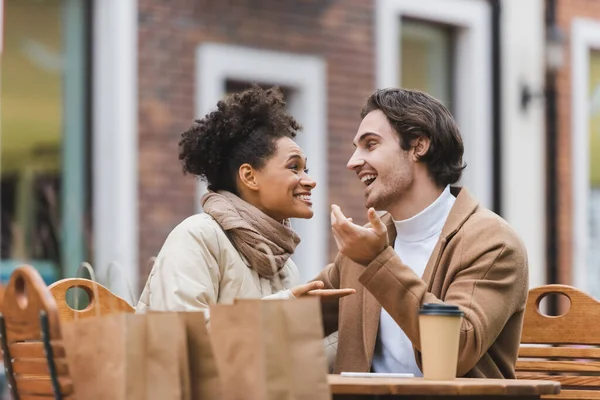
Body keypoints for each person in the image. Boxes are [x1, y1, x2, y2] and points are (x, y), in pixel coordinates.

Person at [317, 88, 528, 378]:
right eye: (356, 147)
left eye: (370, 145)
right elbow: (292, 323)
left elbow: (457, 349)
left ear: (418, 146)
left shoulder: (494, 243)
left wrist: (377, 262)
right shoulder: (365, 246)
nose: (352, 161)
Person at [137, 85, 354, 314]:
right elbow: (180, 336)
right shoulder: (198, 236)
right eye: (294, 168)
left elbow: (280, 349)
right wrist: (279, 311)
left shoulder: (285, 267)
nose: (309, 181)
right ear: (250, 177)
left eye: (305, 169)